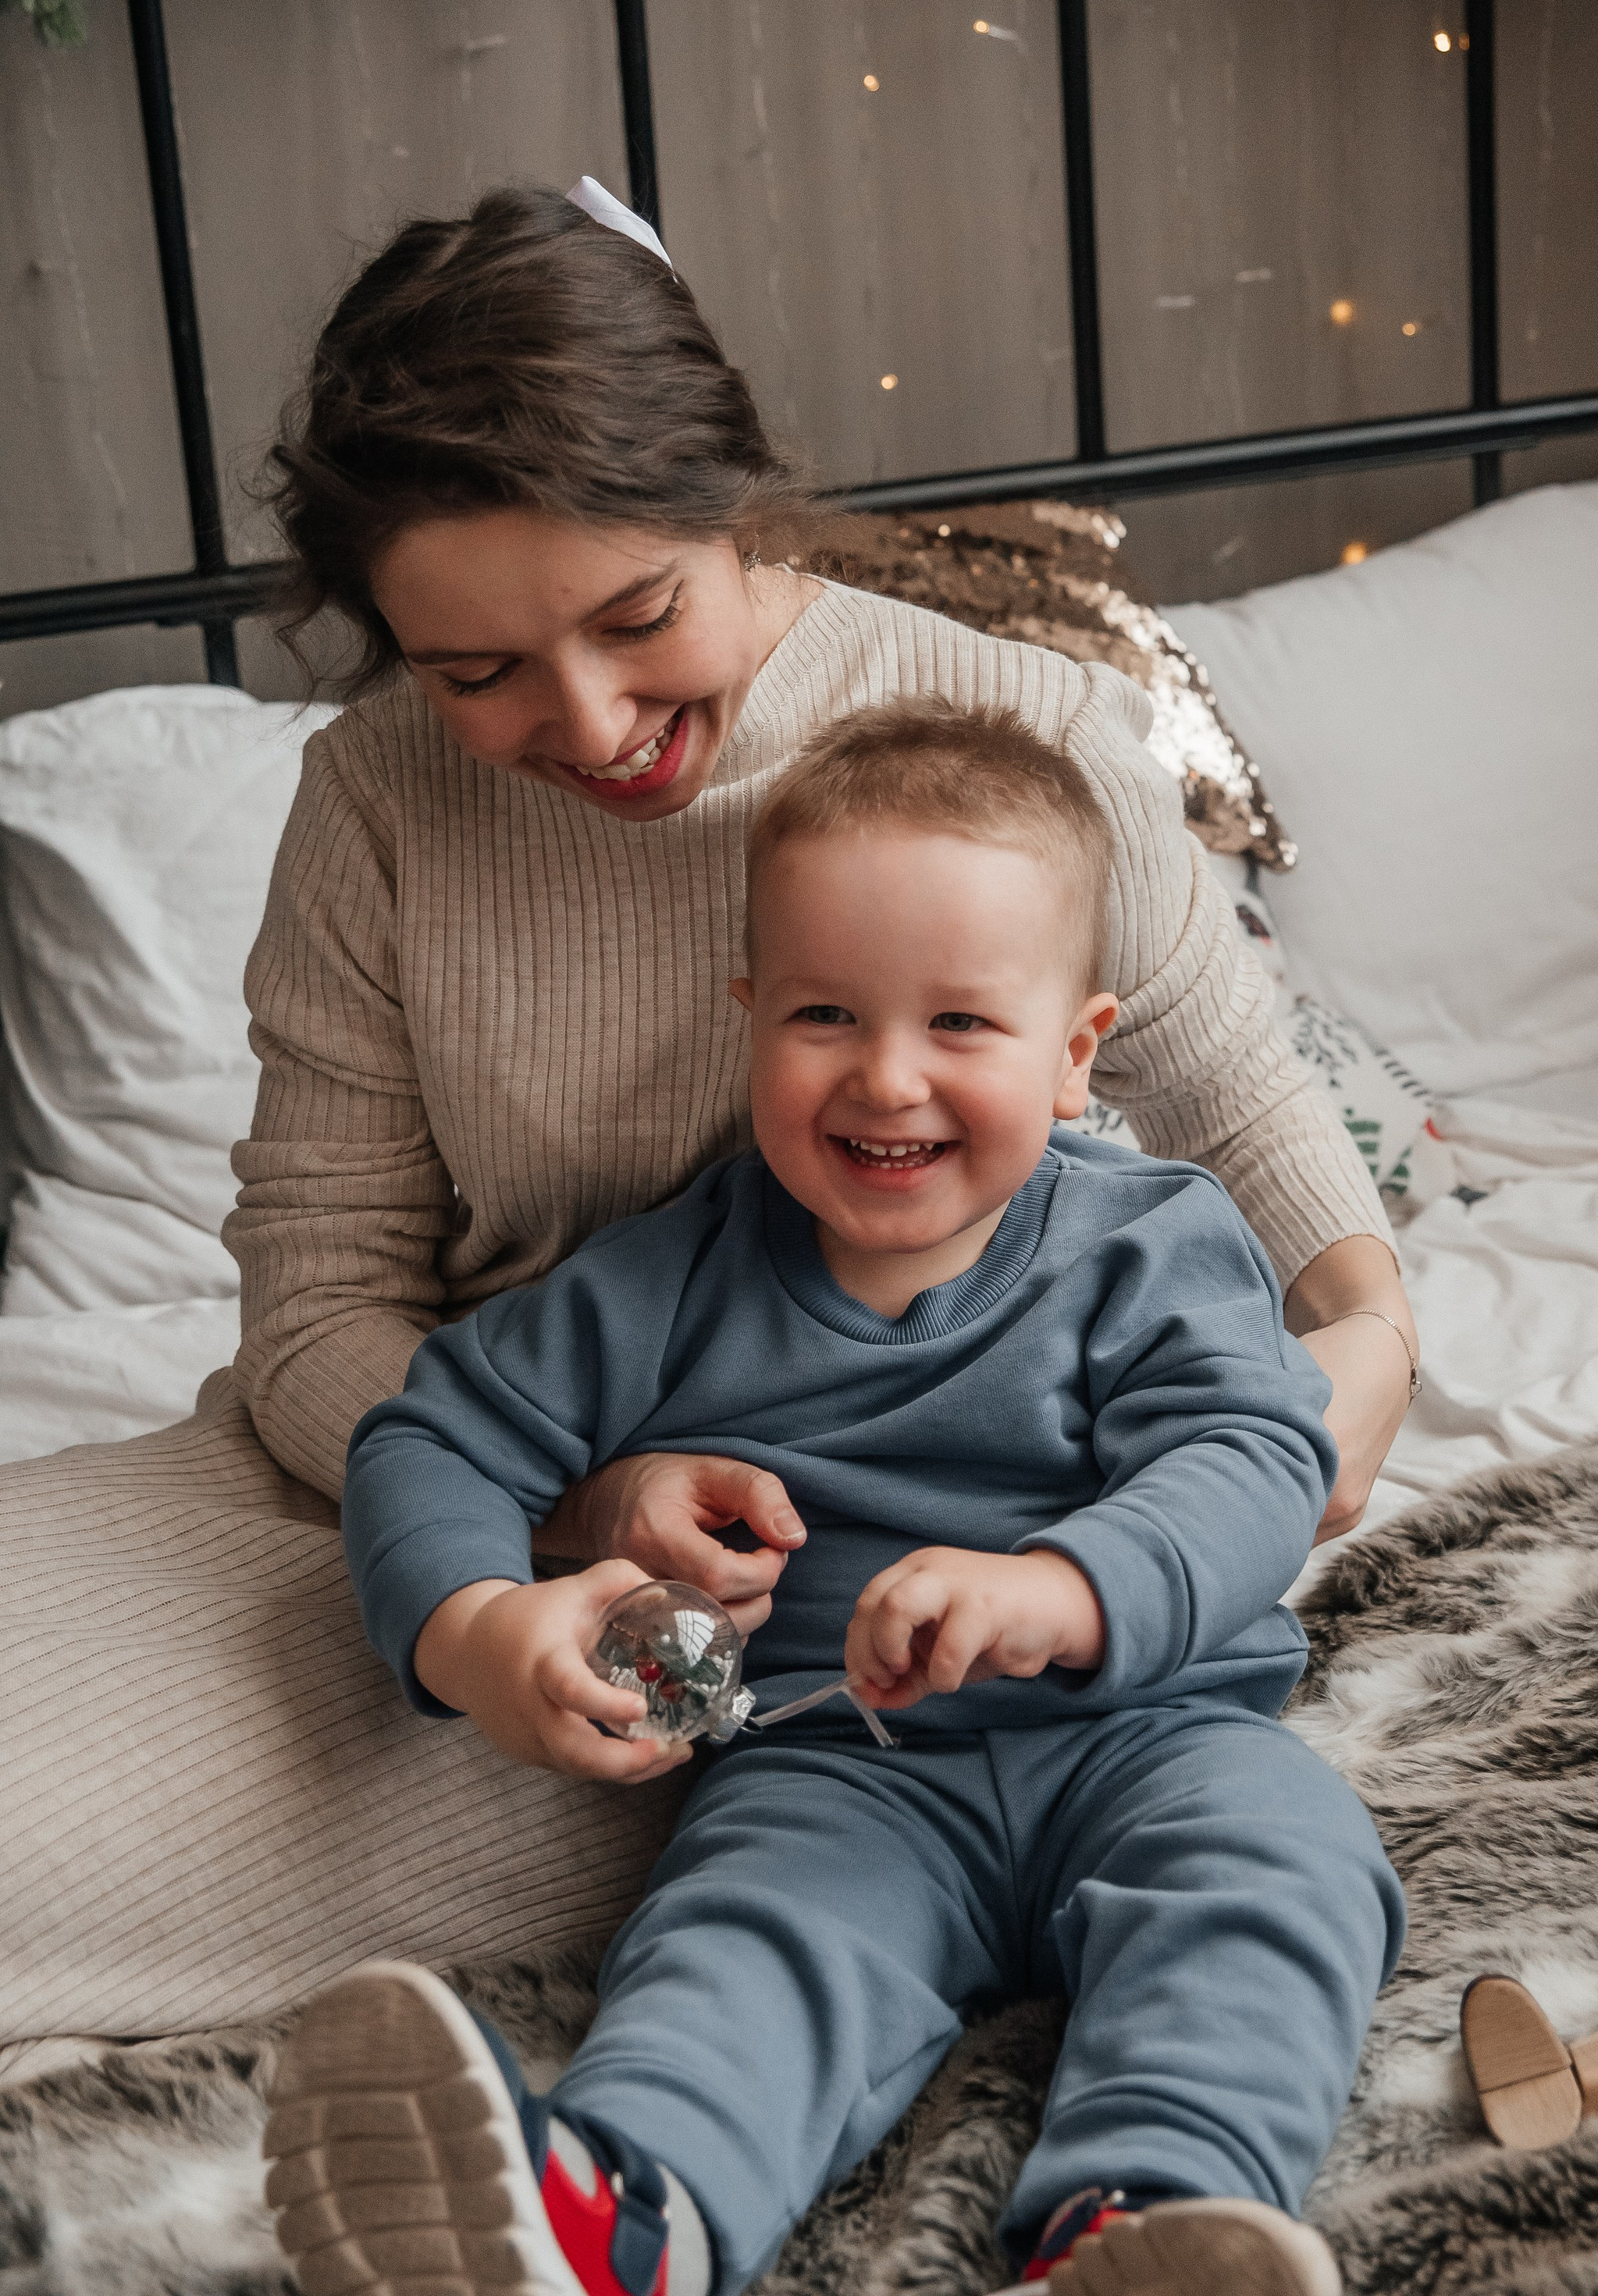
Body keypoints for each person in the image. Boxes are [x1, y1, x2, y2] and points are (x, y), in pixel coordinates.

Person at [0, 180, 1415, 2047]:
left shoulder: (1015, 730)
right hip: (451, 1478)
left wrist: (1365, 1336)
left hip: (875, 1574)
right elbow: (322, 1309)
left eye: (636, 614)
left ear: (729, 501)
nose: (585, 723)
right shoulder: (375, 805)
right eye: (477, 671)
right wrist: (553, 1520)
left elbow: (1244, 1118)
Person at [270, 702, 1404, 2296]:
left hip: (1148, 1732)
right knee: (738, 1951)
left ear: (1076, 1051)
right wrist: (477, 1629)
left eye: (960, 1024)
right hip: (833, 1771)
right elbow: (428, 1438)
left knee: (1283, 1868)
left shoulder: (1147, 1243)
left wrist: (1060, 1591)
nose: (886, 1078)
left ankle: (1140, 2222)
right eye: (823, 1015)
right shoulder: (667, 1275)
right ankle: (612, 2228)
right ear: (747, 1018)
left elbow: (1255, 1458)